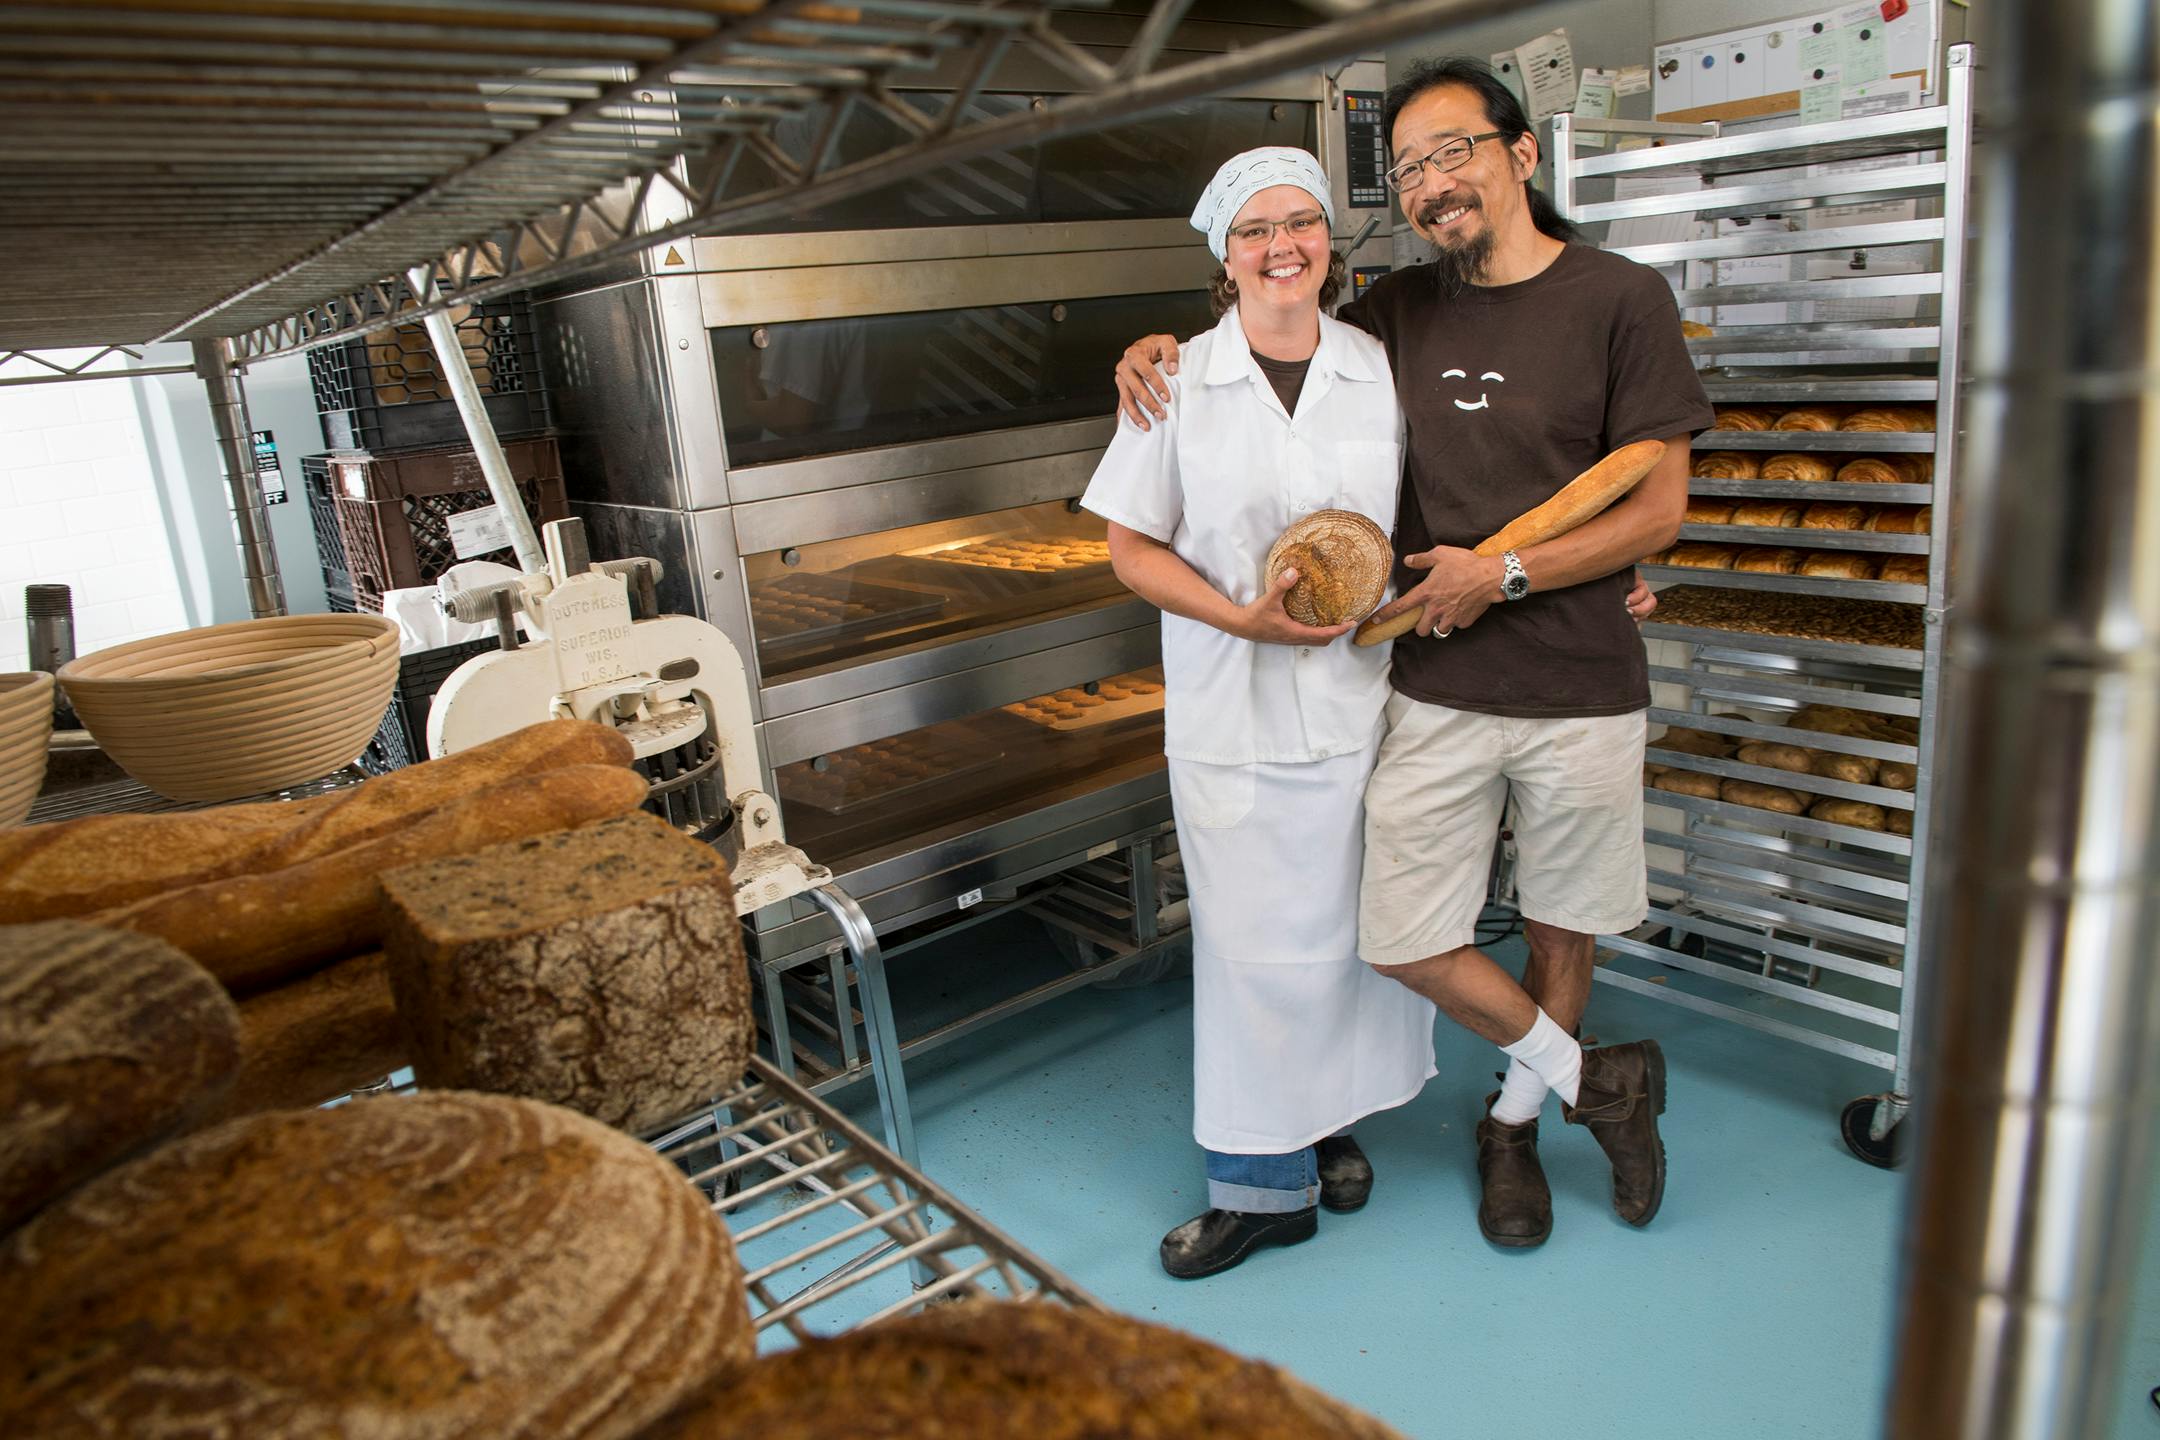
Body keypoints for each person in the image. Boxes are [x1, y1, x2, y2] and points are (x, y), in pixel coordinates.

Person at [1114, 58, 1711, 1249]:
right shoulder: (1391, 316)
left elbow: (1653, 504)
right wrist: (1151, 348)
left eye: (1454, 152)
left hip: (1569, 677)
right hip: (1427, 685)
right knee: (1391, 938)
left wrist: (1525, 572)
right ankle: (1591, 1080)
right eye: (1409, 168)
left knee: (1556, 927)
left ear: (1521, 153)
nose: (1433, 183)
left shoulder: (1617, 298)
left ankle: (1515, 1126)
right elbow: (1263, 351)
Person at [1080, 147, 1439, 1280]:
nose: (1282, 246)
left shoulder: (1377, 366)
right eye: (1255, 230)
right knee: (1248, 954)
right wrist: (1239, 619)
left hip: (1357, 707)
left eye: (1302, 223)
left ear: (1330, 238)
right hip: (1232, 713)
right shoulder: (1175, 379)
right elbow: (1130, 548)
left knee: (1345, 942)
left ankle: (1328, 1126)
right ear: (1224, 254)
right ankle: (1260, 1187)